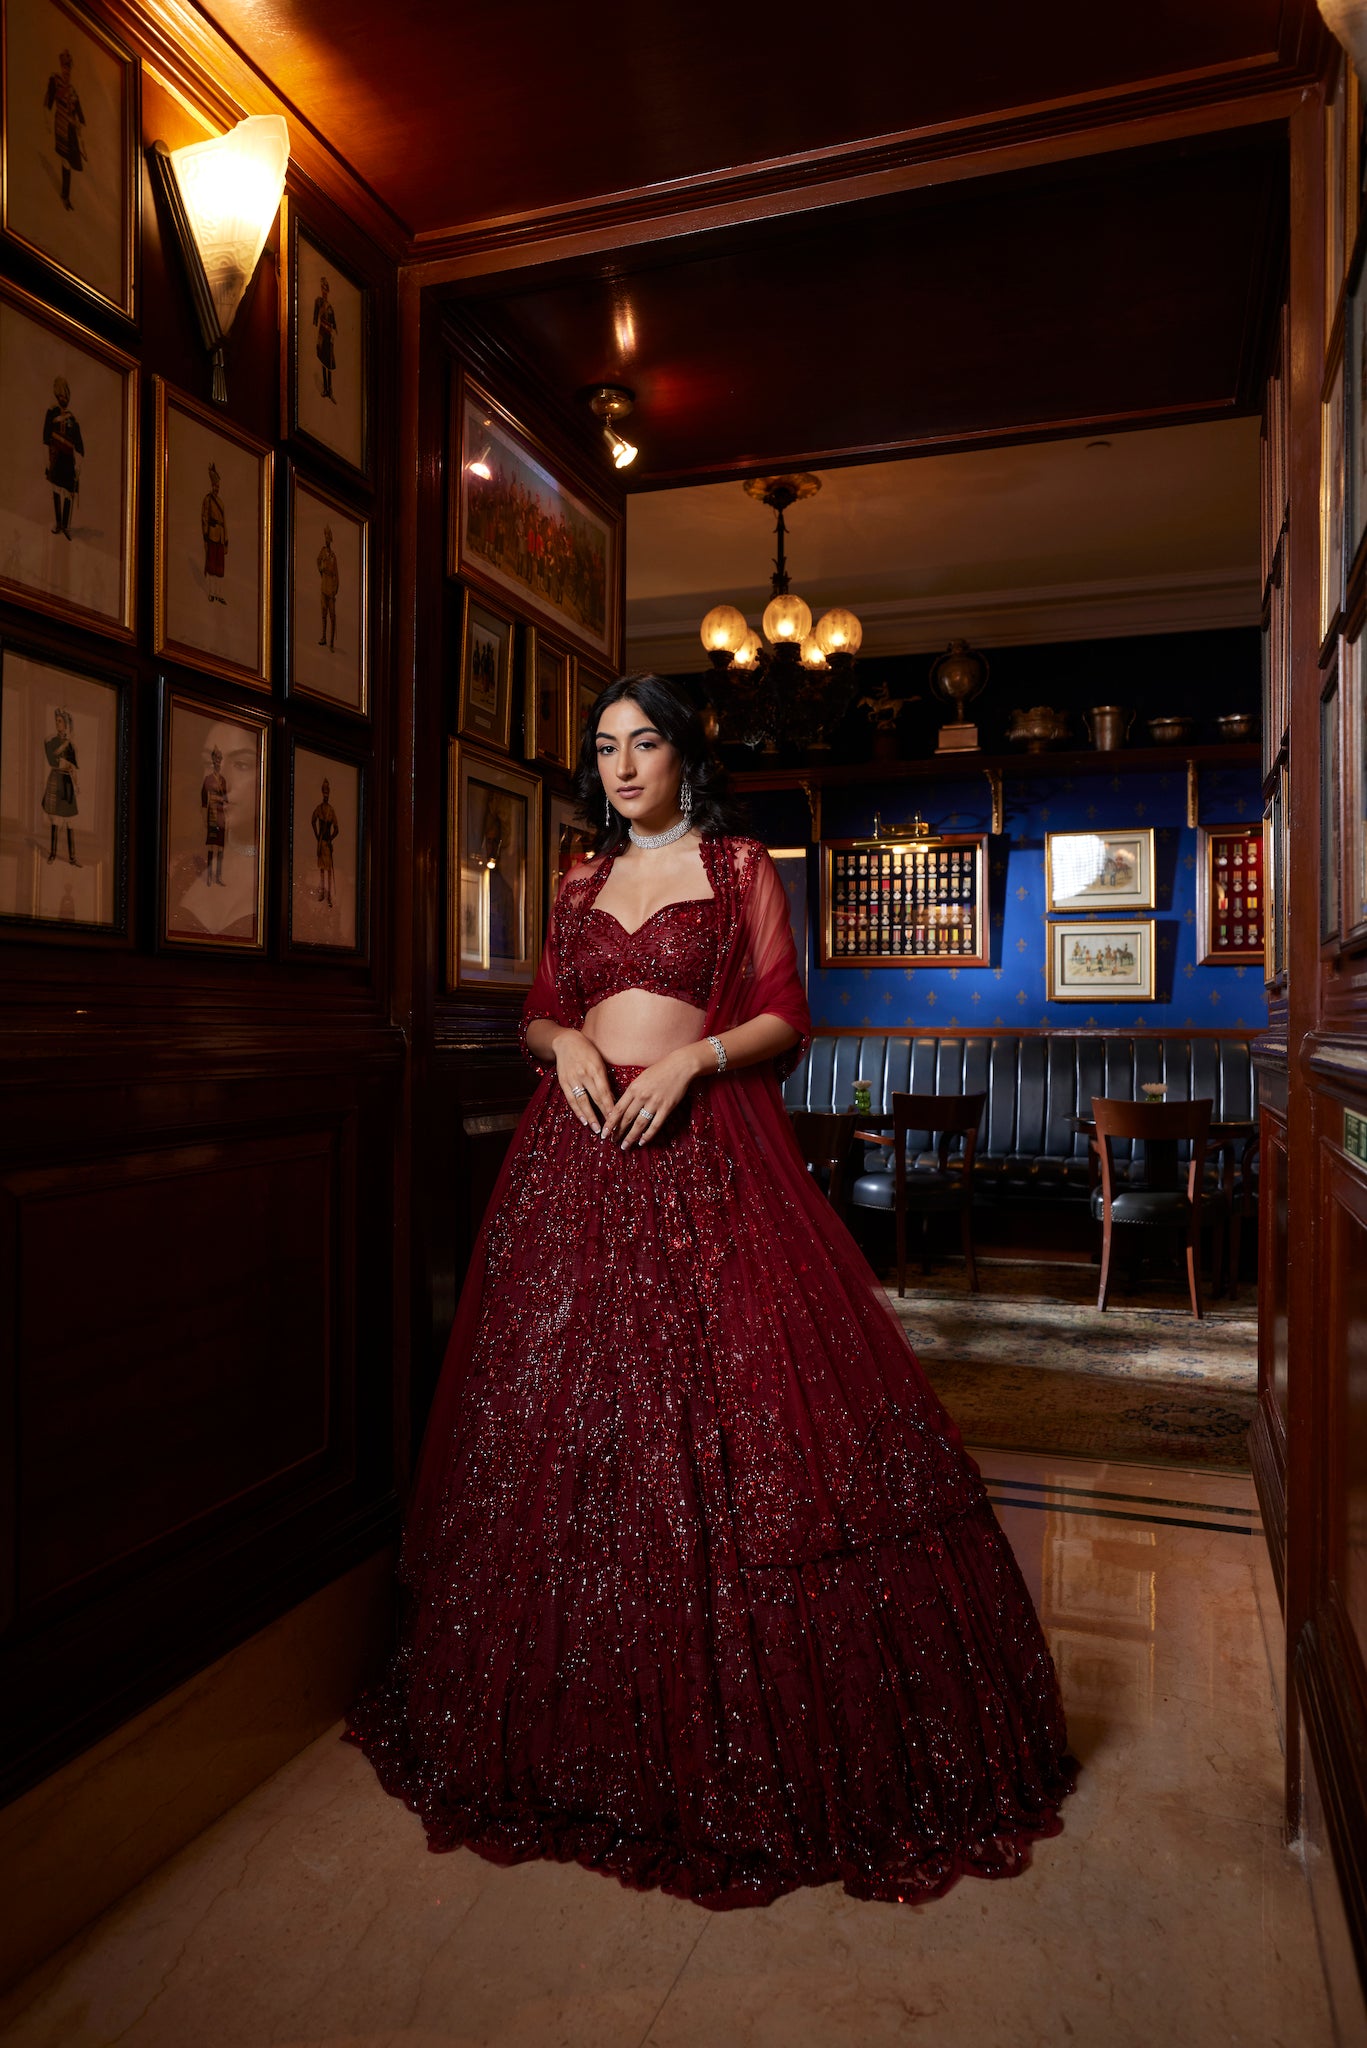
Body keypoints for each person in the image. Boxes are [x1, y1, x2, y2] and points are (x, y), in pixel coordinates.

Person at [346, 673, 1073, 1909]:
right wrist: (563, 1040)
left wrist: (690, 1056)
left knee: (744, 1410)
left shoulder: (738, 868)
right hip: (575, 1154)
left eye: (643, 742)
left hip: (705, 1147)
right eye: (604, 746)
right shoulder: (577, 879)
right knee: (567, 1421)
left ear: (686, 753)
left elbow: (787, 1015)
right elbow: (536, 1007)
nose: (621, 764)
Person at [43, 49, 85, 212]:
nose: (67, 70)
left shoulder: (73, 91)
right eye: (65, 66)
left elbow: (80, 116)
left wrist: (79, 126)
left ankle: (65, 194)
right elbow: (48, 103)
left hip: (72, 130)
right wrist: (46, 121)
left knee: (70, 162)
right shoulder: (55, 80)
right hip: (61, 125)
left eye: (69, 67)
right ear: (61, 66)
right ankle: (65, 196)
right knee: (65, 161)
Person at [43, 377, 82, 540]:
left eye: (66, 396)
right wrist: (46, 460)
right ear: (57, 395)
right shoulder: (51, 413)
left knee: (68, 492)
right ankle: (59, 523)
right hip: (55, 457)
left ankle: (66, 525)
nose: (63, 399)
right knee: (56, 490)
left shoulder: (72, 419)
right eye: (61, 396)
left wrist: (78, 462)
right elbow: (45, 436)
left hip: (68, 460)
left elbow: (79, 443)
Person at [41, 707, 80, 865]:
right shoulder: (51, 742)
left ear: (66, 724)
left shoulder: (70, 745)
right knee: (55, 820)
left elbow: (73, 768)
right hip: (56, 780)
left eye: (60, 721)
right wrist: (65, 764)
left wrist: (76, 785)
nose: (57, 724)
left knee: (70, 821)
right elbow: (53, 761)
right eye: (56, 721)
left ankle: (72, 857)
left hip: (67, 783)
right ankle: (53, 854)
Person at [200, 745, 228, 885]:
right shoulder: (208, 779)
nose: (218, 761)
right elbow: (204, 801)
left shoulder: (223, 780)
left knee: (221, 846)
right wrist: (205, 819)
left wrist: (223, 800)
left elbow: (226, 798)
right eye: (216, 758)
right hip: (211, 815)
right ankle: (210, 875)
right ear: (213, 760)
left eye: (220, 759)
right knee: (211, 845)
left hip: (221, 816)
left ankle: (218, 876)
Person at [311, 777, 338, 907]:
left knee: (328, 870)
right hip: (321, 843)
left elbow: (336, 829)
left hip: (326, 843)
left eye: (327, 793)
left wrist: (330, 840)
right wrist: (317, 836)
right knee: (322, 869)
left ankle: (328, 895)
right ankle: (322, 893)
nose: (326, 795)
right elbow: (312, 821)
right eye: (324, 793)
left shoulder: (331, 811)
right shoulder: (319, 809)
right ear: (323, 793)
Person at [201, 465, 227, 603]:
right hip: (212, 535)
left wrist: (226, 540)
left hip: (220, 537)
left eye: (218, 486)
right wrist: (206, 534)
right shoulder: (208, 500)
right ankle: (211, 592)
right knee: (211, 566)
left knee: (219, 568)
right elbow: (204, 517)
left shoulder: (221, 503)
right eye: (215, 486)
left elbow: (225, 523)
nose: (216, 488)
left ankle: (219, 594)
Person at [313, 275, 337, 402]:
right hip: (322, 335)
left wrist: (333, 333)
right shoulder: (319, 302)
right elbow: (315, 320)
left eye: (326, 288)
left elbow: (334, 325)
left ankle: (330, 389)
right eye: (323, 288)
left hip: (328, 337)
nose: (324, 291)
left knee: (329, 362)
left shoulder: (330, 308)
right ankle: (326, 389)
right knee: (323, 361)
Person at [317, 525, 338, 648]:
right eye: (325, 537)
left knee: (332, 615)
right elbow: (318, 561)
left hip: (330, 590)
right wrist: (321, 570)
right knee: (323, 614)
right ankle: (324, 637)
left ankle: (331, 642)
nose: (327, 539)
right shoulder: (323, 551)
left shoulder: (333, 556)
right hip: (323, 588)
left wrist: (334, 590)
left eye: (328, 537)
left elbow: (336, 575)